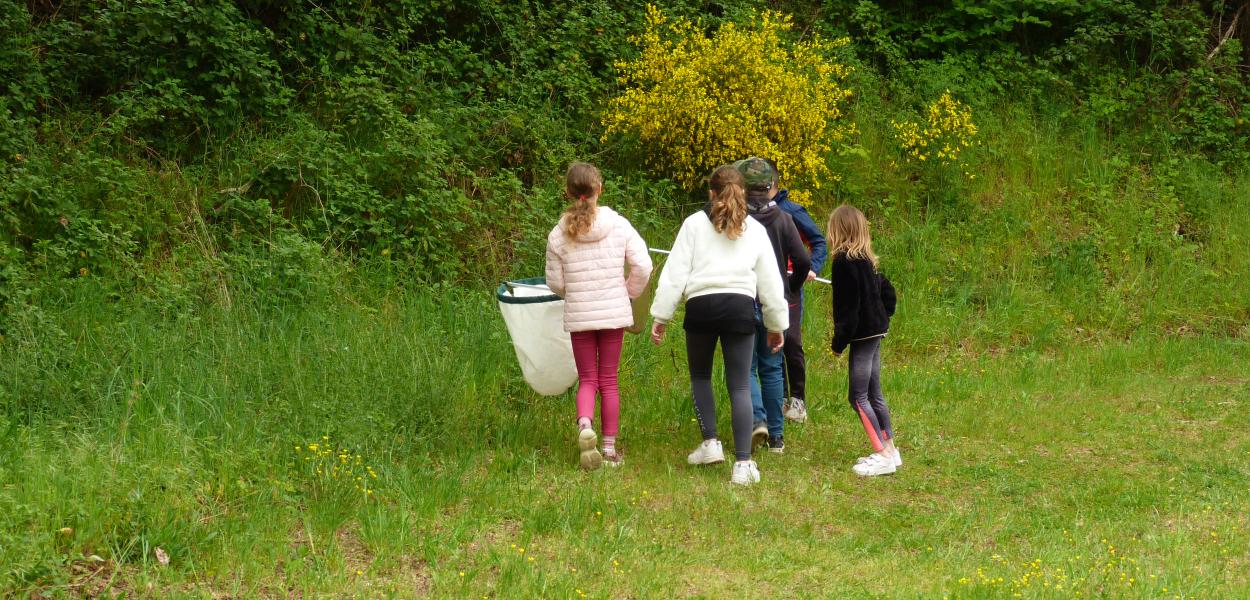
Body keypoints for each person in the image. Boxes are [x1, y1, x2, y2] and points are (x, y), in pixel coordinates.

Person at [649, 165, 787, 486]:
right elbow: (770, 282)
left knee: (700, 376)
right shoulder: (754, 229)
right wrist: (776, 324)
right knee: (739, 384)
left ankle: (710, 443)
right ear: (744, 192)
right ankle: (742, 464)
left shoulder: (693, 224)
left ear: (711, 193)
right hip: (739, 308)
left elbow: (674, 274)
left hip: (701, 307)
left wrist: (661, 316)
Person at [545, 162, 653, 470]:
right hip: (613, 314)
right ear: (599, 190)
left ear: (568, 193)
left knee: (588, 379)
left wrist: (574, 293)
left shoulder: (558, 234)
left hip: (579, 314)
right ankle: (608, 449)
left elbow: (554, 282)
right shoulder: (618, 225)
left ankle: (584, 425)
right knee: (609, 379)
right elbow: (643, 266)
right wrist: (628, 292)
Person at [735, 158, 809, 455]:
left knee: (747, 367)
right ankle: (777, 438)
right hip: (774, 300)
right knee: (772, 367)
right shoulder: (782, 219)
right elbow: (803, 260)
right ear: (770, 187)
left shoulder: (738, 219)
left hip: (743, 299)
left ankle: (758, 421)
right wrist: (792, 287)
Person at [827, 204, 900, 477]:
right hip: (876, 331)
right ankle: (891, 449)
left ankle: (882, 455)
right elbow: (887, 292)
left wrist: (839, 342)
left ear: (839, 230)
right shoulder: (867, 260)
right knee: (874, 393)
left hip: (862, 334)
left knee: (857, 397)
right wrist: (883, 316)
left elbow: (848, 309)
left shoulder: (843, 263)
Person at [761, 158, 827, 423]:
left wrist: (813, 267)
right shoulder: (751, 211)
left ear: (772, 184)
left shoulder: (792, 211)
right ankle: (780, 399)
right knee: (769, 344)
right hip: (761, 287)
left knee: (792, 341)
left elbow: (818, 241)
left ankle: (798, 401)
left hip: (790, 287)